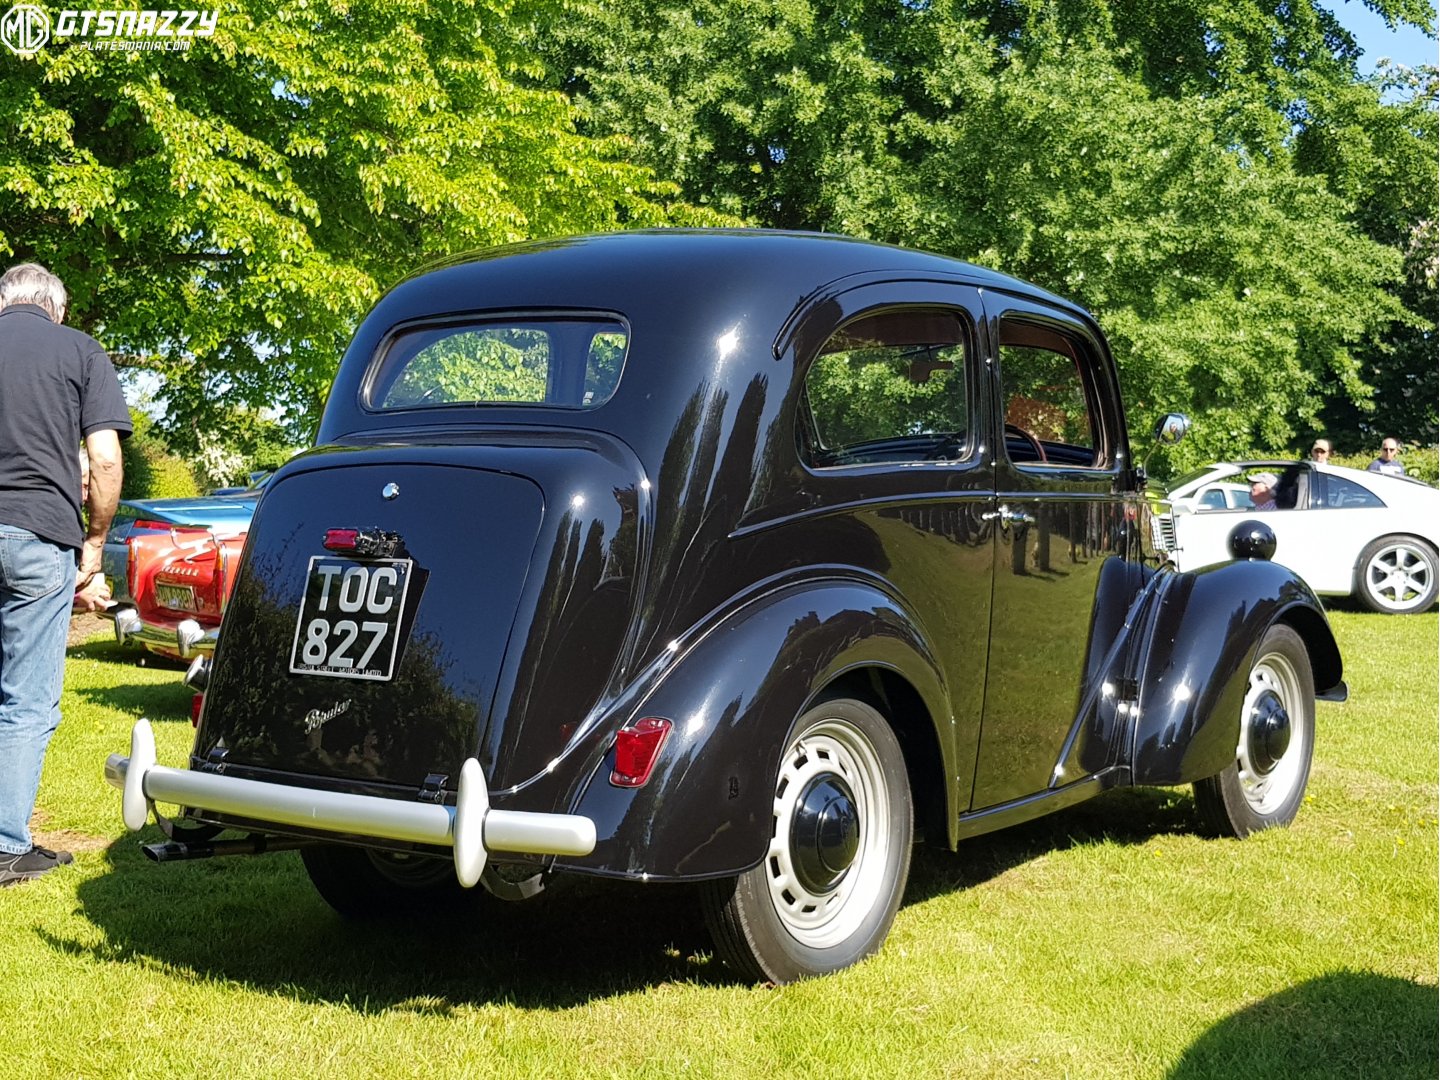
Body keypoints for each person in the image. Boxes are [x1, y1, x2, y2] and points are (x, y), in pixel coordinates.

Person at [0, 263, 130, 887]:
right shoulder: (79, 350)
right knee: (25, 699)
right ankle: (5, 847)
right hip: (40, 532)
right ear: (56, 307)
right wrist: (95, 544)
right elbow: (103, 459)